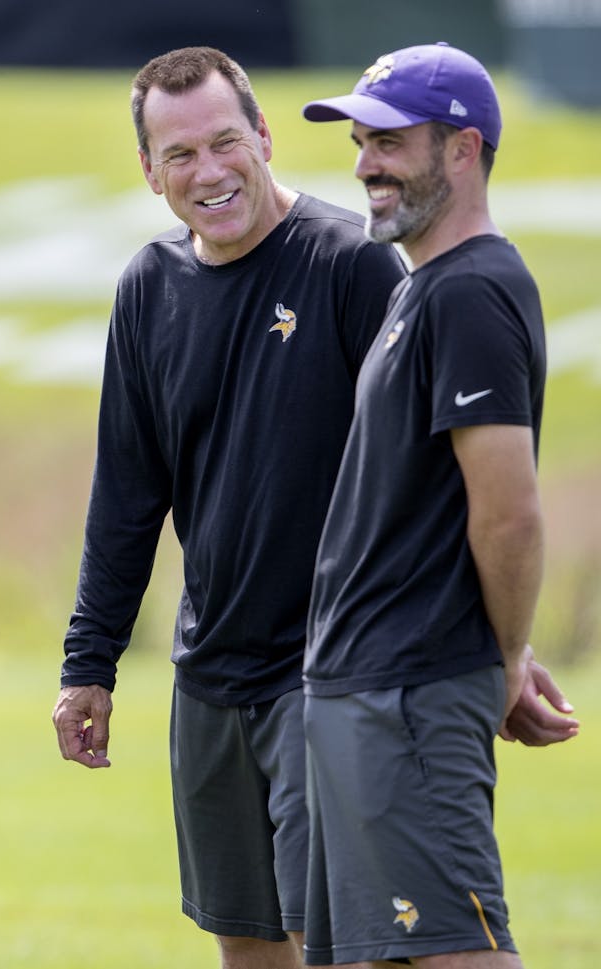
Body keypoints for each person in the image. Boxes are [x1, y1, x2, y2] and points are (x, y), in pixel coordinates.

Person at [50, 47, 408, 968]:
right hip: (209, 677)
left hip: (328, 675)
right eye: (180, 156)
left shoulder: (352, 269)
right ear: (149, 171)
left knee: (338, 943)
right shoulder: (147, 288)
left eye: (223, 143)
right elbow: (128, 494)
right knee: (246, 944)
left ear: (263, 135)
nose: (208, 173)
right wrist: (90, 662)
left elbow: (428, 474)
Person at [300, 42, 580, 968]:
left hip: (409, 692)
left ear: (462, 150)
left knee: (460, 953)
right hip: (368, 690)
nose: (364, 163)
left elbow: (509, 512)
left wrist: (504, 657)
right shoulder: (423, 288)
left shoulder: (470, 295)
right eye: (360, 141)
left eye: (389, 141)